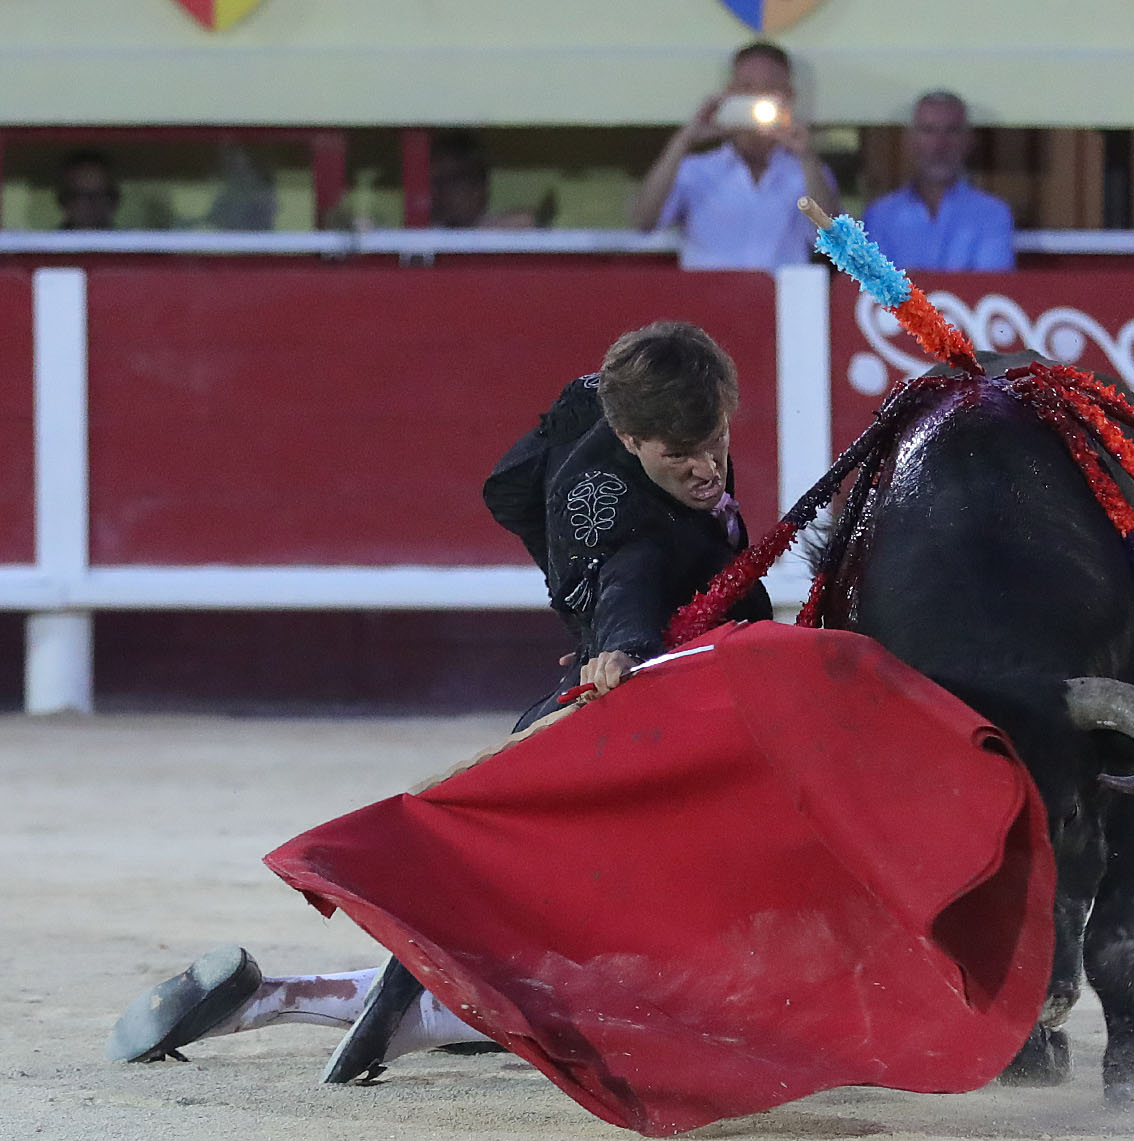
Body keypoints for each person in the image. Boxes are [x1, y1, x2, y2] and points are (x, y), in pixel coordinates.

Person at [108, 322, 775, 1077]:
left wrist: (580, 617)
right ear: (628, 438)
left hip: (663, 657)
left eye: (713, 439)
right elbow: (627, 579)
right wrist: (607, 633)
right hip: (649, 692)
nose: (705, 466)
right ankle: (295, 1002)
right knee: (627, 955)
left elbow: (511, 485)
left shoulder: (606, 398)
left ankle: (279, 1001)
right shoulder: (625, 526)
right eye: (677, 455)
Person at [630, 41, 841, 270]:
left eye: (769, 89)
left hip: (782, 300)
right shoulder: (696, 170)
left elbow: (833, 241)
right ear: (730, 93)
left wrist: (806, 155)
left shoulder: (808, 173)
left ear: (788, 97)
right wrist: (684, 140)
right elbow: (643, 222)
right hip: (707, 299)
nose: (757, 99)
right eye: (747, 88)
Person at [860, 90, 1014, 272]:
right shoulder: (880, 215)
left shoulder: (993, 214)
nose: (940, 145)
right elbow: (874, 288)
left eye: (952, 131)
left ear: (968, 140)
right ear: (909, 140)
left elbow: (990, 290)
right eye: (928, 131)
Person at [429, 130, 555, 229]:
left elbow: (529, 221)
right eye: (433, 181)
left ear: (478, 186)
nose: (438, 191)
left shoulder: (503, 228)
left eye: (451, 181)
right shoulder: (423, 235)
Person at [56, 150, 120, 231]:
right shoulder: (45, 243)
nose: (90, 203)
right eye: (80, 195)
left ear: (114, 200)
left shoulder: (132, 242)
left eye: (99, 194)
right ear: (63, 201)